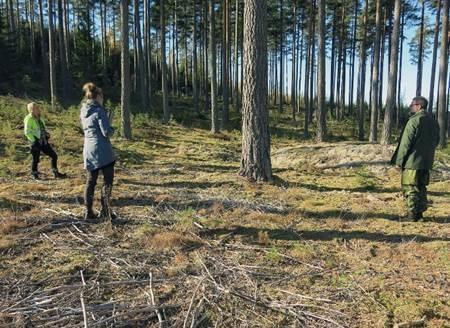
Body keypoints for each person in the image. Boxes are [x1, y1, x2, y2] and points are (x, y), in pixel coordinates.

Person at [391, 96, 439, 221]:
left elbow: (405, 144)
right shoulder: (433, 121)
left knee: (410, 188)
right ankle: (419, 215)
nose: (410, 107)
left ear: (419, 106)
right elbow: (437, 141)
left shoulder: (414, 121)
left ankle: (412, 215)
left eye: (412, 105)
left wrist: (399, 162)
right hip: (426, 162)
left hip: (412, 162)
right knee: (421, 188)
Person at [80, 82, 116, 221]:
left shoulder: (83, 111)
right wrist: (111, 127)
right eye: (102, 97)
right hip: (103, 151)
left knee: (90, 181)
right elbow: (106, 132)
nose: (103, 99)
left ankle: (88, 212)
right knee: (107, 182)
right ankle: (105, 210)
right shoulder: (100, 111)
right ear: (98, 96)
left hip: (88, 150)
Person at [23, 102, 66, 180]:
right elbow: (27, 132)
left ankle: (55, 172)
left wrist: (46, 134)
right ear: (32, 109)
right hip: (35, 142)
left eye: (38, 107)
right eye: (37, 108)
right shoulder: (29, 118)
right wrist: (34, 141)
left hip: (43, 141)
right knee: (35, 159)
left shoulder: (40, 118)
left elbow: (41, 129)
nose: (39, 109)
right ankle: (34, 174)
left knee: (54, 155)